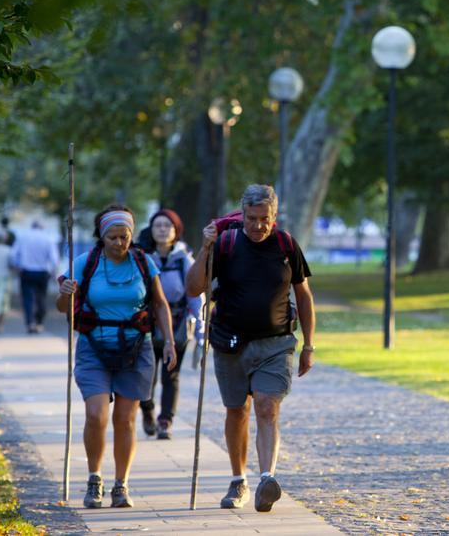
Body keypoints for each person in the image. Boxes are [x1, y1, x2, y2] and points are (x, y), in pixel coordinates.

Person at [185, 184, 314, 513]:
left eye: (265, 219)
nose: (259, 225)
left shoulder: (286, 245)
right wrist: (205, 247)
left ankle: (267, 478)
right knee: (236, 410)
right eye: (252, 218)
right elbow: (193, 287)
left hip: (276, 343)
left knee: (267, 406)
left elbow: (304, 296)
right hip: (230, 342)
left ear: (275, 216)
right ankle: (237, 479)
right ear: (242, 215)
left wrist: (309, 345)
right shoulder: (226, 243)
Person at [57, 205, 178, 509]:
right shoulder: (85, 263)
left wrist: (170, 343)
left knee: (125, 419)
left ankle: (121, 484)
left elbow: (160, 304)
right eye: (112, 237)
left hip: (136, 348)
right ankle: (94, 478)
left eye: (124, 236)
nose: (118, 243)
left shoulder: (143, 261)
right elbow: (63, 308)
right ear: (101, 236)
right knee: (97, 415)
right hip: (93, 347)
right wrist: (66, 293)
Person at [138, 209, 203, 440]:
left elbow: (195, 293)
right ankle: (147, 410)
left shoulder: (184, 258)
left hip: (177, 324)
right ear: (151, 229)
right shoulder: (142, 256)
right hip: (147, 324)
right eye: (158, 225)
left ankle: (165, 421)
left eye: (168, 226)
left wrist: (200, 327)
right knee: (147, 373)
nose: (163, 229)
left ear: (176, 231)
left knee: (170, 374)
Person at [11, 220, 60, 333]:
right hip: (42, 272)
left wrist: (17, 266)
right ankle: (39, 322)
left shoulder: (23, 237)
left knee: (27, 298)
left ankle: (30, 322)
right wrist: (54, 273)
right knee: (41, 297)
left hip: (26, 271)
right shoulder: (48, 238)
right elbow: (54, 259)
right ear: (42, 227)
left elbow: (13, 255)